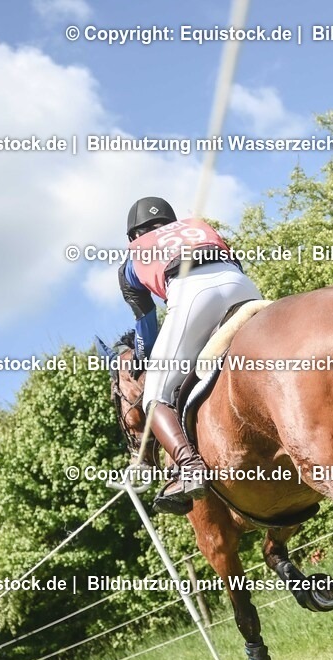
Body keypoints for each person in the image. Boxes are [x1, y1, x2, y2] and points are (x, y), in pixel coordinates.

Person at [118, 197, 262, 514]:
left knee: (154, 397)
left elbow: (146, 324)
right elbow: (233, 266)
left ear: (133, 236)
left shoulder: (133, 255)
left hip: (192, 295)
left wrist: (142, 358)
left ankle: (189, 468)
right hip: (242, 286)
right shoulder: (199, 227)